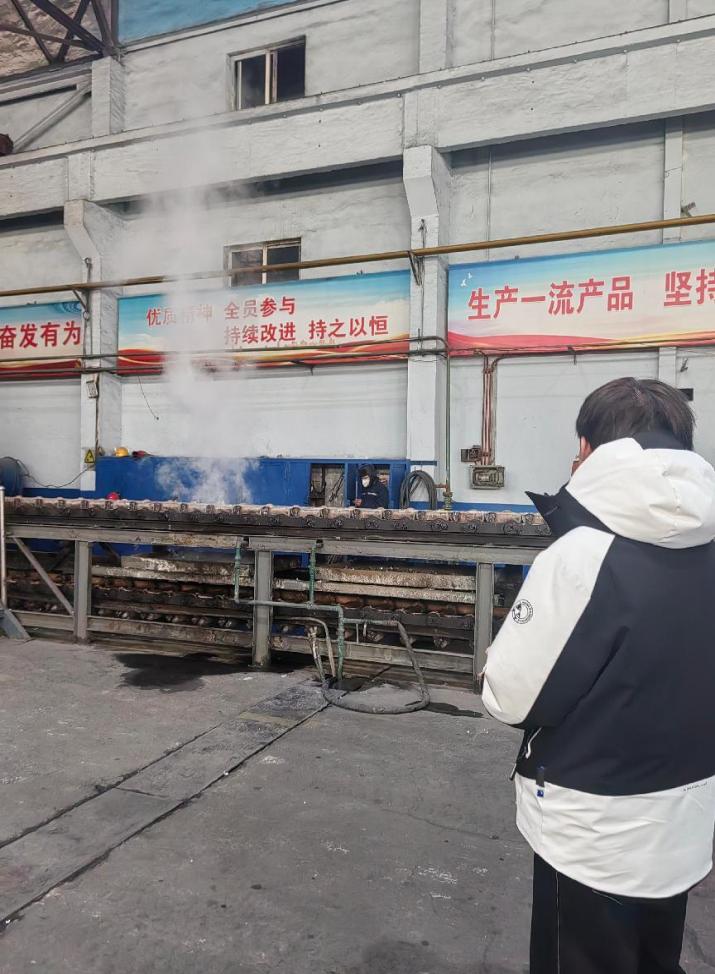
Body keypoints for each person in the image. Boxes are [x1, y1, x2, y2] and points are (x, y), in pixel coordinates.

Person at [481, 377, 715, 974]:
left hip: (591, 833)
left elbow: (509, 697)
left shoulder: (581, 555)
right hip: (687, 819)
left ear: (586, 448)